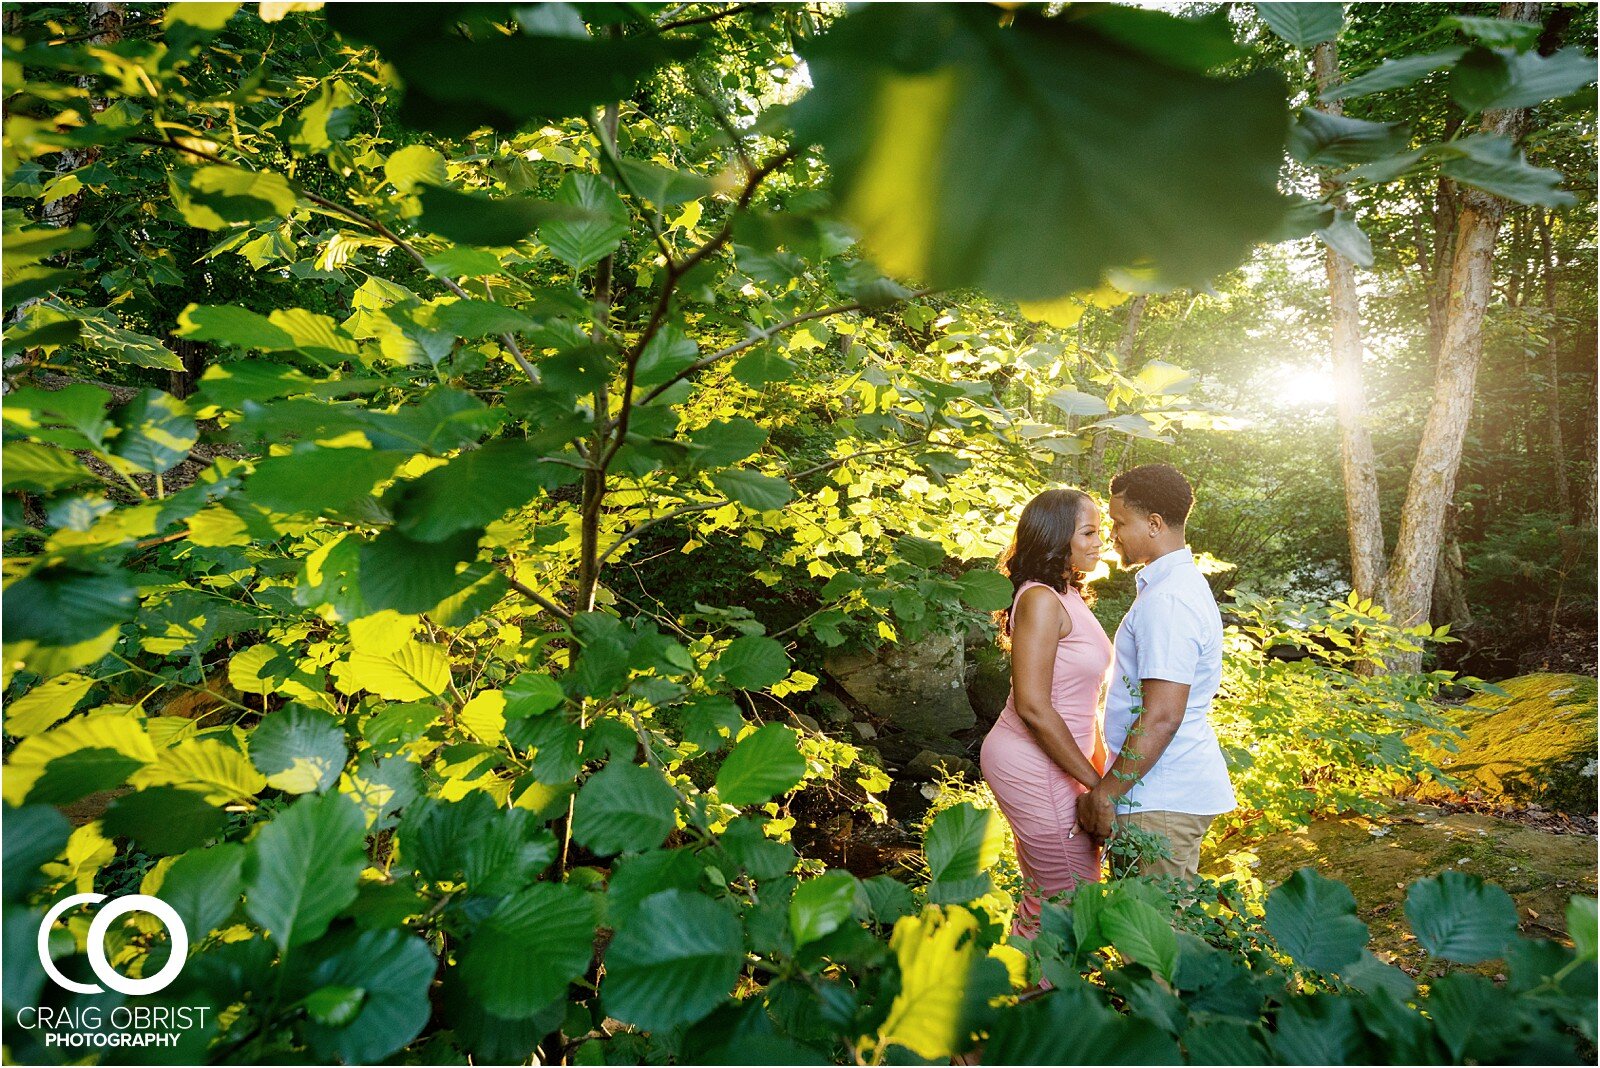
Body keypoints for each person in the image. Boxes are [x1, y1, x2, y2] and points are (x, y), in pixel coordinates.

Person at [1076, 464, 1235, 879]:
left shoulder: (1169, 601)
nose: (1112, 535)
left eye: (1118, 523)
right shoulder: (1174, 587)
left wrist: (1106, 793)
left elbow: (1163, 714)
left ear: (1154, 524)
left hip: (1160, 797)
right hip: (1160, 792)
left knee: (1156, 939)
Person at [979, 488, 1113, 936]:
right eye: (1089, 532)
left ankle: (1013, 994)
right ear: (1058, 537)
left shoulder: (1069, 593)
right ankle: (1023, 1000)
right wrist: (1098, 786)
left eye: (1102, 532)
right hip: (1030, 758)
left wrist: (1097, 773)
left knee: (1059, 894)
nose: (1100, 542)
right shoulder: (1039, 599)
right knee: (1067, 898)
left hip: (1062, 758)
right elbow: (1033, 706)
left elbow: (1082, 705)